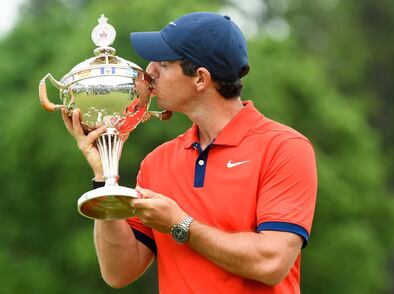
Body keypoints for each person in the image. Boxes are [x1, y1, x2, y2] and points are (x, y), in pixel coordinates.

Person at [62, 12, 317, 294]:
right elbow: (119, 272)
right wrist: (104, 178)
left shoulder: (284, 147)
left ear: (200, 78)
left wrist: (179, 224)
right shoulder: (157, 162)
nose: (150, 72)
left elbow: (271, 263)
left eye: (163, 63)